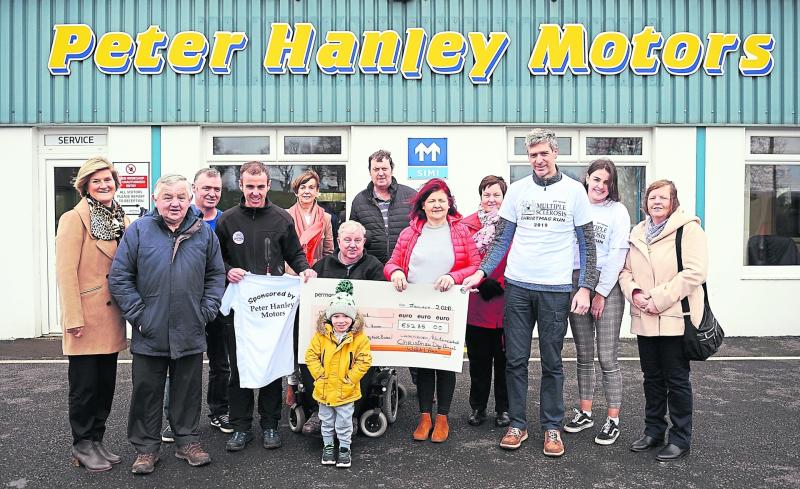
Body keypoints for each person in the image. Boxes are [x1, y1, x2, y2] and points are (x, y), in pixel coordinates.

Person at [462, 128, 598, 458]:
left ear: (555, 154)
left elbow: (588, 245)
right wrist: (480, 272)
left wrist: (586, 287)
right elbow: (502, 240)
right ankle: (517, 425)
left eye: (544, 153)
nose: (539, 159)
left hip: (555, 289)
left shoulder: (575, 192)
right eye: (533, 155)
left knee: (552, 362)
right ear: (528, 158)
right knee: (516, 361)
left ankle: (552, 427)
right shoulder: (518, 191)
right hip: (519, 287)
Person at [109, 174, 225, 475]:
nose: (175, 203)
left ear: (190, 200)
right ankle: (146, 449)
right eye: (168, 197)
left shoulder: (204, 233)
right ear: (155, 200)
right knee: (147, 390)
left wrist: (206, 311)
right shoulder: (138, 232)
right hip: (150, 328)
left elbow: (216, 276)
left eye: (180, 197)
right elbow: (120, 278)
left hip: (191, 326)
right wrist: (140, 316)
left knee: (187, 390)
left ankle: (187, 441)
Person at [215, 161, 317, 452]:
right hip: (241, 310)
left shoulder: (282, 218)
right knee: (240, 368)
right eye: (250, 186)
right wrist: (226, 270)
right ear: (241, 185)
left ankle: (271, 425)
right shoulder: (228, 220)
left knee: (271, 367)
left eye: (261, 186)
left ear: (268, 186)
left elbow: (295, 254)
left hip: (272, 309)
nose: (256, 192)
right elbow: (213, 258)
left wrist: (305, 269)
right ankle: (241, 427)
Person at [385, 178, 481, 443]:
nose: (437, 205)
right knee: (424, 363)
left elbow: (476, 265)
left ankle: (442, 418)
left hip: (448, 308)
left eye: (442, 200)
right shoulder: (410, 233)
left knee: (445, 363)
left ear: (449, 203)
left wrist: (454, 276)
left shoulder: (461, 231)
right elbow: (392, 262)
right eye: (432, 200)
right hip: (417, 307)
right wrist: (395, 272)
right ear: (423, 205)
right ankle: (424, 416)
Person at [619, 179, 708, 462]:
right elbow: (625, 271)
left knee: (677, 380)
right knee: (652, 379)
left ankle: (680, 438)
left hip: (674, 317)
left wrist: (656, 299)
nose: (656, 202)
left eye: (662, 197)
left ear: (673, 202)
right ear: (645, 202)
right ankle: (654, 431)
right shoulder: (638, 231)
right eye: (652, 197)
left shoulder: (688, 229)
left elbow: (695, 273)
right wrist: (635, 294)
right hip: (645, 316)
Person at [56, 157, 129, 473]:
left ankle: (97, 440)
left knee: (105, 386)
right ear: (85, 185)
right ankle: (82, 445)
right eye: (96, 181)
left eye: (108, 180)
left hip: (111, 318)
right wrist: (73, 318)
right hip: (85, 319)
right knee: (84, 388)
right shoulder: (73, 218)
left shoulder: (121, 219)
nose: (104, 185)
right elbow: (66, 272)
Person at [563, 159, 631, 446]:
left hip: (608, 285)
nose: (601, 186)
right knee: (583, 354)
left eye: (607, 181)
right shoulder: (576, 205)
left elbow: (617, 253)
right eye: (597, 179)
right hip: (576, 283)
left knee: (607, 356)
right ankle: (586, 412)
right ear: (587, 178)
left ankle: (613, 419)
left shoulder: (618, 211)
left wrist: (601, 292)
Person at [162, 168, 231, 443]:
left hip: (216, 303)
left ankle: (219, 411)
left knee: (220, 363)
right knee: (177, 364)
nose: (212, 194)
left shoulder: (227, 222)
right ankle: (174, 420)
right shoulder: (180, 219)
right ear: (194, 190)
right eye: (206, 189)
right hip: (183, 304)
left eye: (216, 189)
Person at [298, 220, 385, 435]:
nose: (352, 245)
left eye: (357, 240)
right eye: (347, 240)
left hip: (358, 336)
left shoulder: (374, 266)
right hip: (327, 335)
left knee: (359, 363)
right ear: (338, 241)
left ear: (364, 242)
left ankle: (352, 414)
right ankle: (319, 412)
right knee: (310, 359)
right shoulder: (323, 266)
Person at [305, 280, 373, 468]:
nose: (341, 320)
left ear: (353, 319)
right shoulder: (321, 336)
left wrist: (350, 378)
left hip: (346, 390)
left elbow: (364, 360)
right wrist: (319, 374)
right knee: (326, 421)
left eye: (345, 316)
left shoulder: (359, 339)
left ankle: (344, 448)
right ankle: (328, 447)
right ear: (329, 318)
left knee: (344, 422)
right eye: (336, 316)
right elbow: (311, 355)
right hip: (325, 388)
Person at [460, 175, 510, 428]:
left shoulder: (512, 225)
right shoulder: (466, 225)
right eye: (486, 194)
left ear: (504, 197)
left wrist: (499, 282)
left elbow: (518, 256)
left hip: (503, 302)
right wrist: (478, 281)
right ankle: (477, 407)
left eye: (496, 195)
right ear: (480, 197)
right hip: (476, 301)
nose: (491, 200)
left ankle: (503, 409)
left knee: (504, 363)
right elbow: (461, 258)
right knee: (478, 363)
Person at [349, 149, 417, 264]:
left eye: (384, 169)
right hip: (372, 267)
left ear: (391, 170)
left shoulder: (411, 196)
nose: (380, 173)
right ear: (370, 172)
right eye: (376, 169)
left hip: (406, 264)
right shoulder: (359, 200)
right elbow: (353, 235)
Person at [287, 169, 334, 269]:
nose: (307, 191)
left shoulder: (325, 218)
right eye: (302, 187)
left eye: (311, 188)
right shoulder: (286, 216)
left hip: (316, 273)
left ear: (317, 191)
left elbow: (328, 252)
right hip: (291, 273)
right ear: (296, 192)